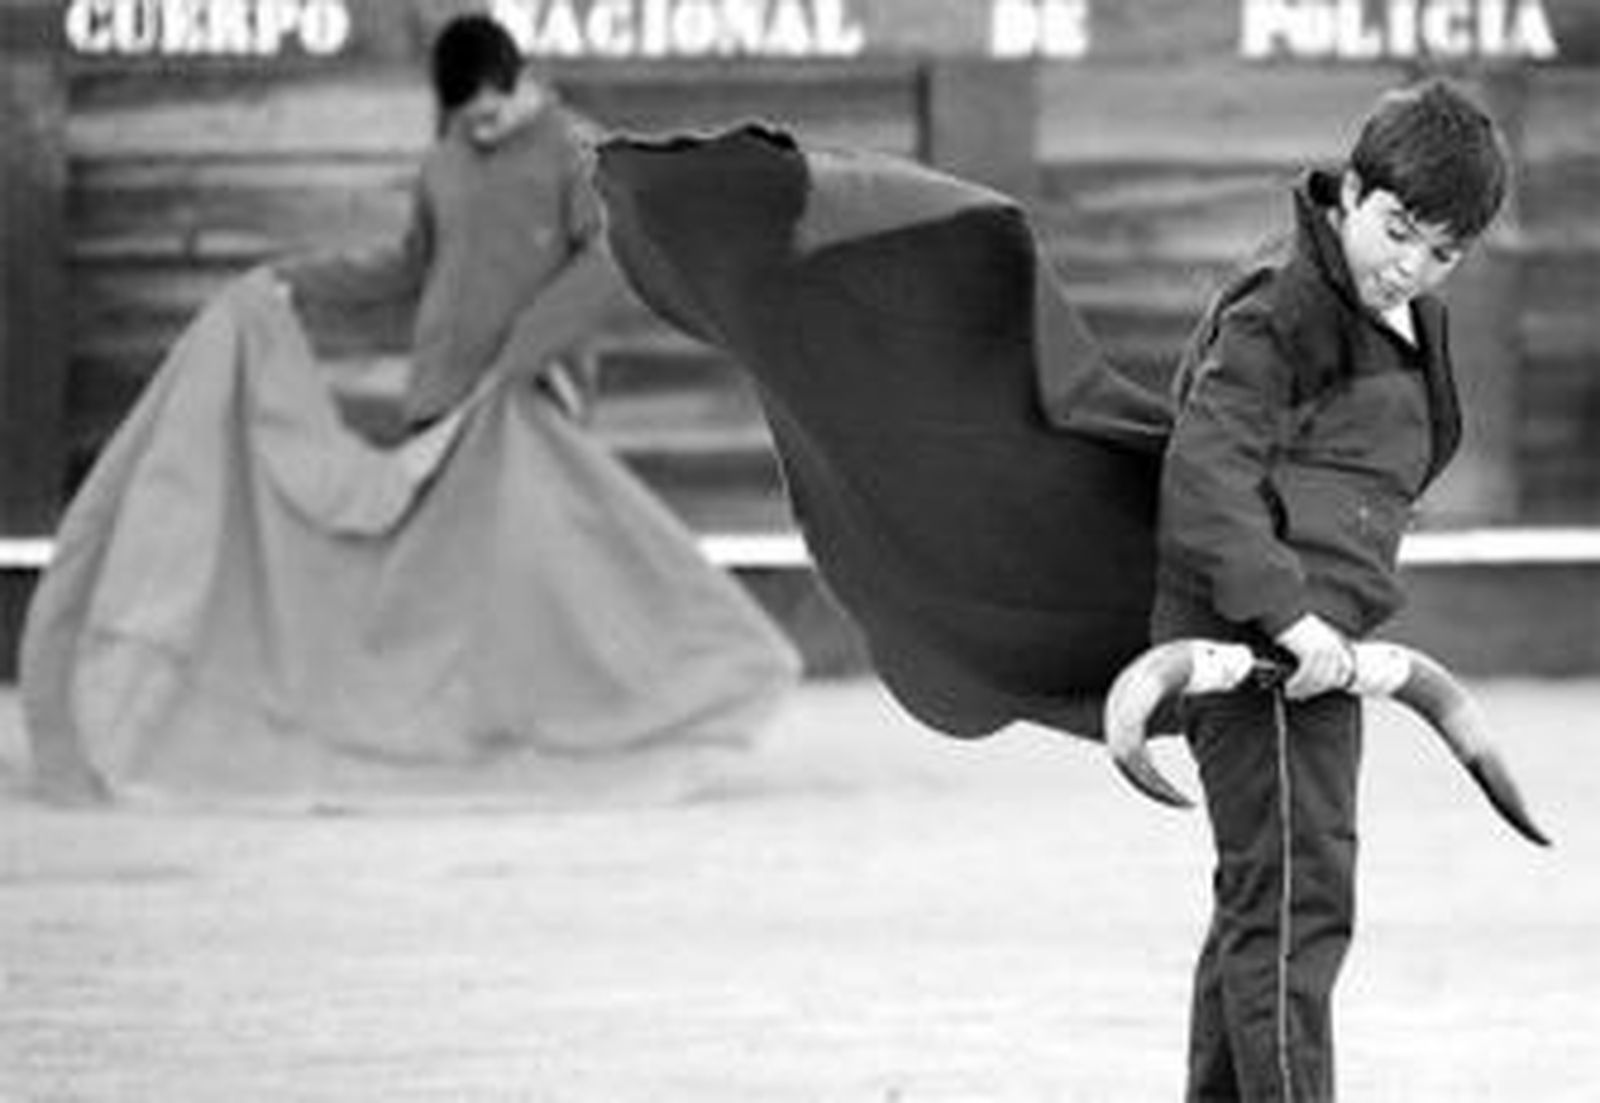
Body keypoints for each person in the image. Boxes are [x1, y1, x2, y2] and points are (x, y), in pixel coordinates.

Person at [20, 13, 799, 806]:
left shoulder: (576, 152)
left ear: (520, 82)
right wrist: (298, 282)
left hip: (526, 409)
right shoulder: (445, 163)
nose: (480, 128)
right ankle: (458, 738)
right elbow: (407, 272)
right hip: (441, 405)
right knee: (451, 595)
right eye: (466, 119)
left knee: (539, 584)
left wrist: (521, 356)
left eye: (490, 112)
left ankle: (605, 714)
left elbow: (613, 260)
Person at [1151, 78, 1509, 1101]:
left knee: (1264, 899)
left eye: (1441, 251)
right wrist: (1289, 611)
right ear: (1350, 193)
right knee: (1297, 901)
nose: (1410, 264)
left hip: (1310, 643)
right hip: (1261, 648)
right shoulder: (1282, 306)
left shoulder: (1406, 317)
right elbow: (1204, 475)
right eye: (1397, 229)